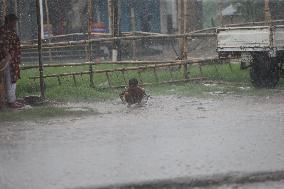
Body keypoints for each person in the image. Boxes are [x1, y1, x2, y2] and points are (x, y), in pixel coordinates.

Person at [0, 14, 23, 108]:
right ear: (9, 21)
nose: (15, 24)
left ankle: (12, 100)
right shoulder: (3, 31)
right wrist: (7, 56)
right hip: (7, 60)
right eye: (14, 21)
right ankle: (10, 101)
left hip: (14, 60)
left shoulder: (12, 31)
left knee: (13, 79)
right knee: (8, 80)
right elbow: (2, 45)